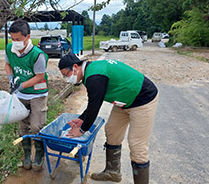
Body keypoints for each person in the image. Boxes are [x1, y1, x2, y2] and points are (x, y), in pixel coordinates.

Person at [58, 53, 158, 184]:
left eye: (66, 74)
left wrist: (82, 129)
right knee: (112, 130)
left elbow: (95, 106)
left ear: (75, 67)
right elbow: (94, 102)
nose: (66, 79)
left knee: (137, 145)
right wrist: (82, 118)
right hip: (124, 100)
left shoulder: (94, 77)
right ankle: (113, 172)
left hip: (142, 99)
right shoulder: (90, 71)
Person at [5, 19, 49, 171]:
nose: (14, 42)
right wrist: (11, 78)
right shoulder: (10, 49)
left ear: (27, 36)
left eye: (18, 39)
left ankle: (39, 154)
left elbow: (40, 76)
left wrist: (21, 85)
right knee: (23, 126)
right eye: (12, 38)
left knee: (37, 126)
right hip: (21, 94)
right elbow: (8, 64)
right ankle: (27, 154)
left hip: (37, 93)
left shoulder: (37, 55)